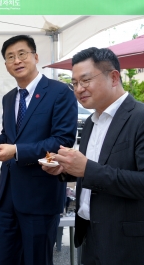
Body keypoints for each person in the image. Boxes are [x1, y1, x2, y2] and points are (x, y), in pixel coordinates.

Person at [0, 35, 77, 265]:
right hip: (7, 196)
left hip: (40, 195)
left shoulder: (59, 92)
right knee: (3, 259)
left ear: (35, 56)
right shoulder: (8, 98)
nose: (17, 60)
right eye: (10, 57)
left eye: (22, 54)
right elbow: (10, 137)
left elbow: (62, 140)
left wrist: (16, 151)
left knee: (36, 259)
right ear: (5, 65)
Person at [42, 47, 144, 264]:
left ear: (114, 77)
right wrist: (66, 170)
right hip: (88, 235)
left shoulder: (139, 117)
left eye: (85, 80)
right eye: (75, 83)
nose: (79, 89)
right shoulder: (90, 122)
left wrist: (87, 169)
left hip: (126, 243)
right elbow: (95, 170)